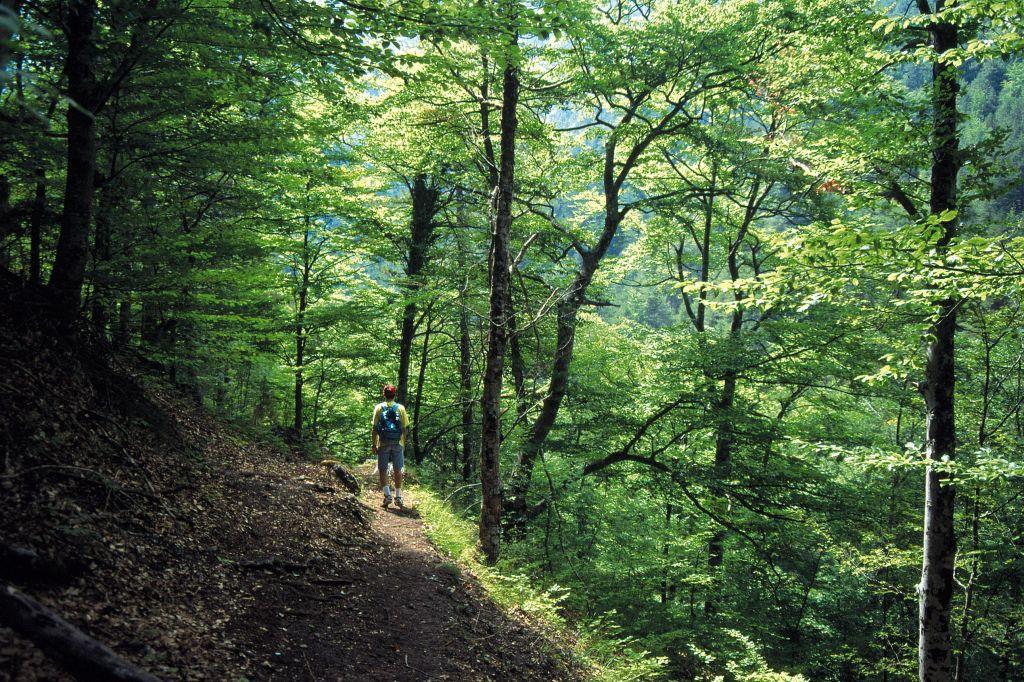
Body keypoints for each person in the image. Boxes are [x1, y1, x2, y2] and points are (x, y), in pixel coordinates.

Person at [371, 384, 410, 509]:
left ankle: (387, 495)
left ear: (384, 394)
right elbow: (404, 428)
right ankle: (398, 497)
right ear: (394, 395)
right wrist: (404, 442)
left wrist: (373, 444)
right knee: (398, 469)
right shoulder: (401, 408)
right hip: (398, 443)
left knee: (383, 469)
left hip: (383, 443)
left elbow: (374, 428)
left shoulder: (378, 408)